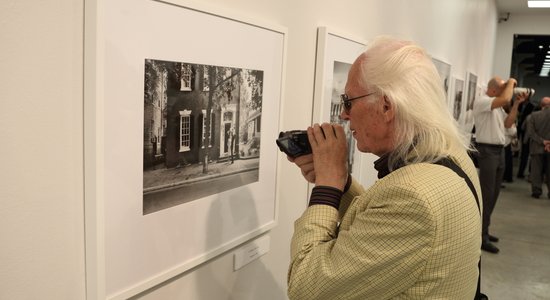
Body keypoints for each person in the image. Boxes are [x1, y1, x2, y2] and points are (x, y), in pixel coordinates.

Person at [286, 36, 482, 299]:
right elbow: (380, 224)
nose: (344, 114)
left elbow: (306, 287)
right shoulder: (453, 155)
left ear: (386, 106)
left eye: (348, 101)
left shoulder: (413, 197)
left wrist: (326, 187)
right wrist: (342, 184)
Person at [472, 77, 527, 254]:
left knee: (494, 193)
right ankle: (480, 236)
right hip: (487, 151)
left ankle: (485, 231)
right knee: (486, 194)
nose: (507, 92)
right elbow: (504, 99)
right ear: (495, 90)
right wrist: (511, 81)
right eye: (504, 89)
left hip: (499, 151)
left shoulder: (496, 106)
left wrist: (517, 104)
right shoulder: (483, 102)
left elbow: (508, 124)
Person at [526, 97, 550, 198]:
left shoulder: (533, 116)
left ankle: (536, 191)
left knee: (536, 171)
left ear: (541, 105)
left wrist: (542, 141)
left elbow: (530, 133)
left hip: (536, 147)